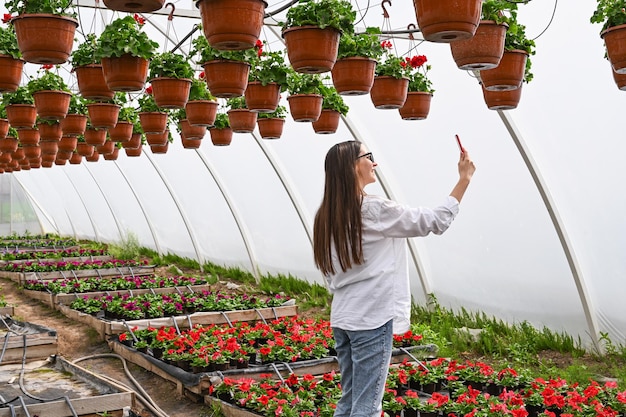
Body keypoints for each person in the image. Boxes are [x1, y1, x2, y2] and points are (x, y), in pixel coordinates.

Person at [312, 140, 476, 417]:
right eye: (368, 156)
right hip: (371, 318)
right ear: (353, 166)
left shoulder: (325, 216)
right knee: (367, 406)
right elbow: (434, 221)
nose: (374, 162)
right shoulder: (373, 210)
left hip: (343, 317)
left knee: (350, 400)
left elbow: (330, 271)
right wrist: (464, 180)